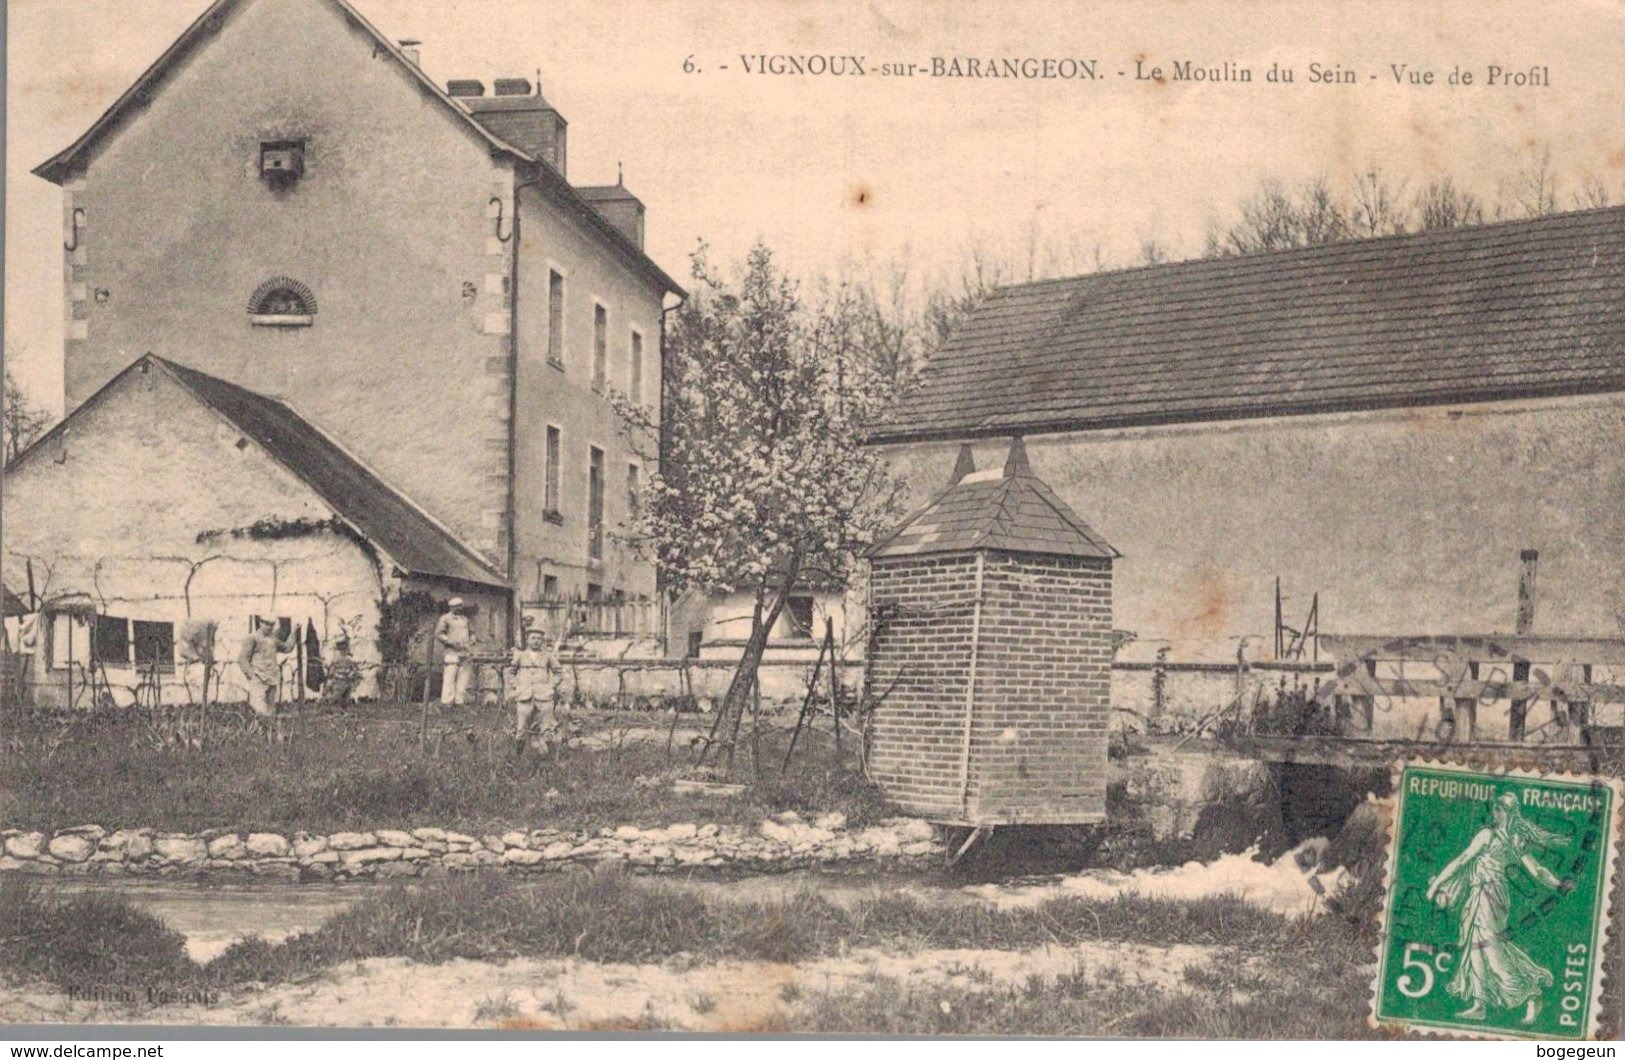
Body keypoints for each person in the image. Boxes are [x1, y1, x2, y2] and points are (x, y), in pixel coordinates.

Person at [1426, 791, 1569, 1025]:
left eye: (1499, 808)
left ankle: (1531, 994)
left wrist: (1436, 887)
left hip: (1489, 897)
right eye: (1495, 808)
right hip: (1483, 894)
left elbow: (1463, 860)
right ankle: (1479, 1004)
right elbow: (1537, 870)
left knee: (1491, 949)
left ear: (1507, 812)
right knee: (1477, 947)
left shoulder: (1490, 836)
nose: (1495, 812)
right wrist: (1559, 884)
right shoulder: (1512, 839)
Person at [508, 623, 565, 754]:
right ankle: (518, 756)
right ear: (527, 640)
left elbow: (559, 673)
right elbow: (511, 672)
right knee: (521, 727)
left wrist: (551, 686)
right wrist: (516, 685)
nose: (536, 641)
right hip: (524, 695)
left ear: (542, 641)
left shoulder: (548, 656)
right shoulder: (520, 656)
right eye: (533, 638)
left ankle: (550, 757)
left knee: (547, 727)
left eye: (539, 639)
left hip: (544, 695)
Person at [237, 618, 289, 737]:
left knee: (271, 710)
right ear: (260, 623)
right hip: (258, 678)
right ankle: (257, 736)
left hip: (271, 678)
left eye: (271, 625)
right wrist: (251, 675)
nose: (269, 627)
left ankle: (268, 737)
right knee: (260, 709)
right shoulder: (252, 638)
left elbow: (287, 648)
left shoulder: (273, 639)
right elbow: (242, 659)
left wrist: (294, 633)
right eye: (266, 624)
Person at [434, 598, 474, 706]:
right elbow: (438, 634)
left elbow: (471, 632)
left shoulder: (465, 619)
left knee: (463, 678)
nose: (459, 608)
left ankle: (459, 701)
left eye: (460, 606)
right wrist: (451, 642)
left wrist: (473, 638)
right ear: (451, 607)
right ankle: (447, 702)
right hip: (451, 652)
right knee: (450, 677)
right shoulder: (445, 618)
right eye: (456, 606)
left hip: (465, 652)